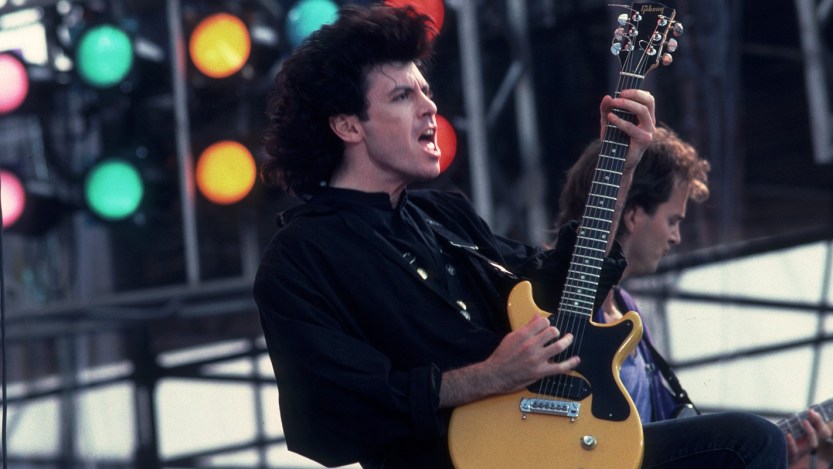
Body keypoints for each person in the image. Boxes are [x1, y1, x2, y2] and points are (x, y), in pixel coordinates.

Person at [253, 4, 787, 468]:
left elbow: (556, 287)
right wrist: (487, 376)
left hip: (567, 442)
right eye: (401, 97)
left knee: (750, 442)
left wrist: (620, 165)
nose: (429, 107)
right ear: (348, 126)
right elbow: (326, 414)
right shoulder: (304, 256)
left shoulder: (443, 216)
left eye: (427, 91)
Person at [556, 126, 832, 466]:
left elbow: (674, 429)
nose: (676, 237)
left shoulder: (629, 315)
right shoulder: (560, 295)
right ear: (632, 213)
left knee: (761, 443)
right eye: (673, 220)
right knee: (754, 437)